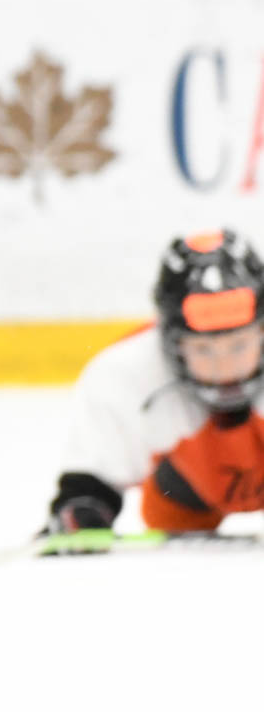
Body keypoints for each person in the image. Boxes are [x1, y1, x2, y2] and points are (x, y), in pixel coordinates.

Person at [48, 228, 264, 536]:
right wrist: (83, 508)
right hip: (190, 492)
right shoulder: (127, 373)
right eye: (203, 349)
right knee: (170, 513)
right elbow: (93, 478)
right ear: (172, 344)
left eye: (238, 346)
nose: (224, 366)